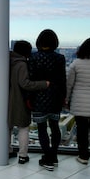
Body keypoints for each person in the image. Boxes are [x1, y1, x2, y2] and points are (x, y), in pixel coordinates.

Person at [28, 29, 66, 171]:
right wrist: (63, 97)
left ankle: (48, 158)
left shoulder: (34, 57)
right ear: (55, 42)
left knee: (42, 128)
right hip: (56, 97)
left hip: (39, 97)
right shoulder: (60, 58)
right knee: (55, 127)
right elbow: (62, 80)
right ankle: (53, 156)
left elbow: (31, 79)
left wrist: (29, 98)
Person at [8, 40, 49, 164]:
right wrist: (43, 84)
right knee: (23, 127)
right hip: (19, 99)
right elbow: (25, 83)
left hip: (4, 99)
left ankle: (7, 151)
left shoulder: (6, 60)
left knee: (7, 127)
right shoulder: (22, 64)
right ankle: (23, 155)